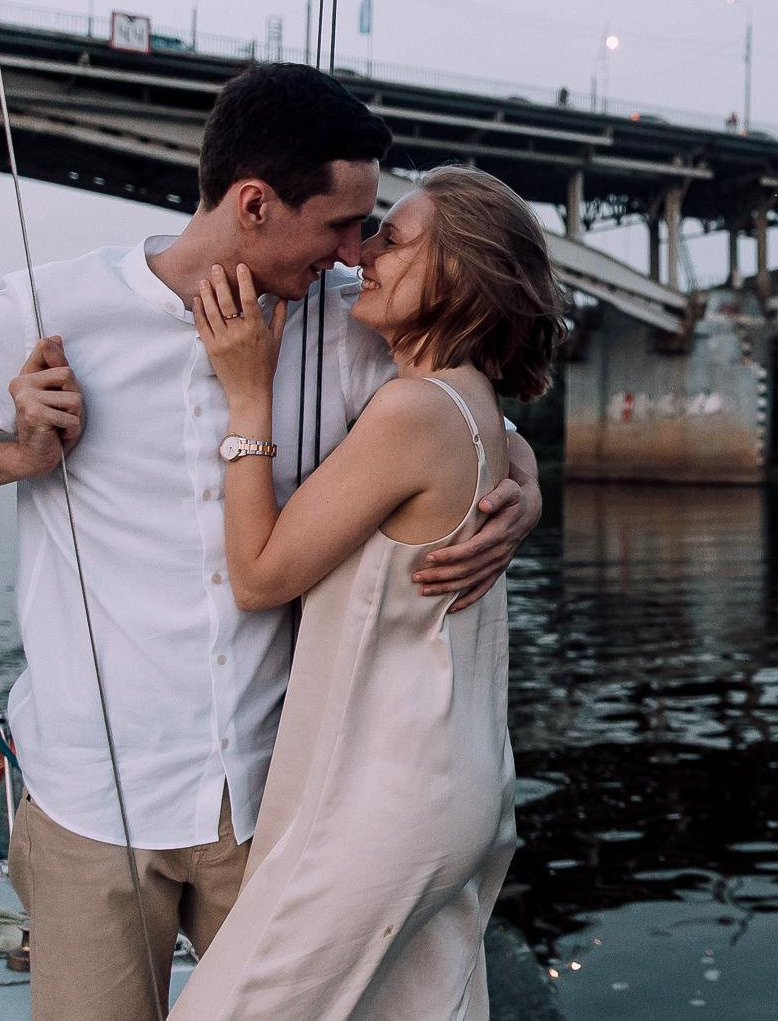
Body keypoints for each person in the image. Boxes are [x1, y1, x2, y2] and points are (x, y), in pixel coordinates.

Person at [0, 64, 543, 1021]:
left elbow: (458, 402)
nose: (352, 253)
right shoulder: (51, 313)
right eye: (339, 224)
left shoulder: (349, 329)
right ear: (254, 204)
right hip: (95, 811)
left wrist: (517, 485)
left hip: (279, 801)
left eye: (369, 232)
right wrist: (16, 455)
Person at [170, 164, 561, 1018]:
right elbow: (496, 453)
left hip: (384, 808)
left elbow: (259, 575)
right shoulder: (472, 407)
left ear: (456, 273)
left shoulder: (414, 410)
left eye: (394, 237)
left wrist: (247, 401)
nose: (365, 254)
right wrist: (527, 482)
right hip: (453, 784)